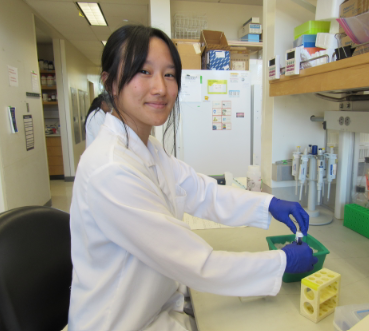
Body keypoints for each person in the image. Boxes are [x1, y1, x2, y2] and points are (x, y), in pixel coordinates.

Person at [68, 25, 318, 331]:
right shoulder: (110, 170)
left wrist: (268, 204)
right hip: (119, 322)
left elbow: (202, 191)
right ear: (109, 82)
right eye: (143, 72)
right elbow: (198, 264)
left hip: (154, 308)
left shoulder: (146, 148)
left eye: (169, 74)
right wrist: (280, 262)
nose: (160, 87)